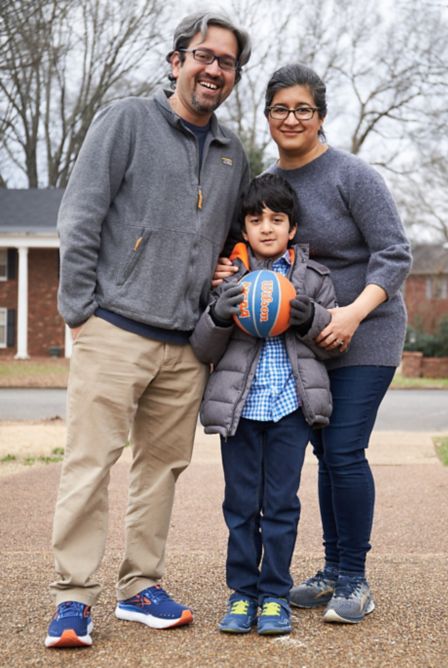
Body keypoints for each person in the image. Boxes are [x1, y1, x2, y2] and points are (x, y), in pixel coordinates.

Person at [45, 11, 251, 649]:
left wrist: (229, 269)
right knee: (89, 464)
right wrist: (80, 309)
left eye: (226, 62)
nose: (213, 69)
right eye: (203, 56)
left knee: (161, 470)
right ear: (176, 60)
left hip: (187, 344)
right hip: (114, 328)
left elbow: (233, 236)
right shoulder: (127, 120)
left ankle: (140, 589)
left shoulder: (231, 152)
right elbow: (81, 215)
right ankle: (74, 599)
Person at [215, 63, 412, 625]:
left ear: (320, 116)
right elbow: (243, 247)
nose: (292, 118)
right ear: (268, 117)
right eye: (281, 109)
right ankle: (329, 570)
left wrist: (351, 315)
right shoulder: (268, 185)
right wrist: (223, 274)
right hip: (304, 338)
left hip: (366, 330)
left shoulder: (353, 176)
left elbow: (394, 253)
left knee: (344, 451)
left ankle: (354, 577)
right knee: (324, 454)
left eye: (303, 109)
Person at [190, 173, 341, 636]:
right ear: (245, 227)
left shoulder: (314, 279)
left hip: (290, 411)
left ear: (293, 228)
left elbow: (334, 346)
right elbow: (203, 348)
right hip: (240, 411)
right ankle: (242, 594)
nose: (267, 227)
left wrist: (311, 320)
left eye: (277, 219)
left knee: (280, 505)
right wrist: (218, 315)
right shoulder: (227, 277)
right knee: (240, 505)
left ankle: (275, 595)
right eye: (256, 219)